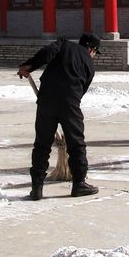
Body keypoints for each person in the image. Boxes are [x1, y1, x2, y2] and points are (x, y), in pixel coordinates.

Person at [17, 33, 101, 200]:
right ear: (92, 49)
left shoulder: (64, 44)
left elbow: (46, 53)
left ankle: (37, 188)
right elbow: (82, 90)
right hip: (70, 103)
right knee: (76, 144)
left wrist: (29, 66)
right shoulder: (89, 65)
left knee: (42, 144)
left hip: (46, 100)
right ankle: (79, 184)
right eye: (95, 52)